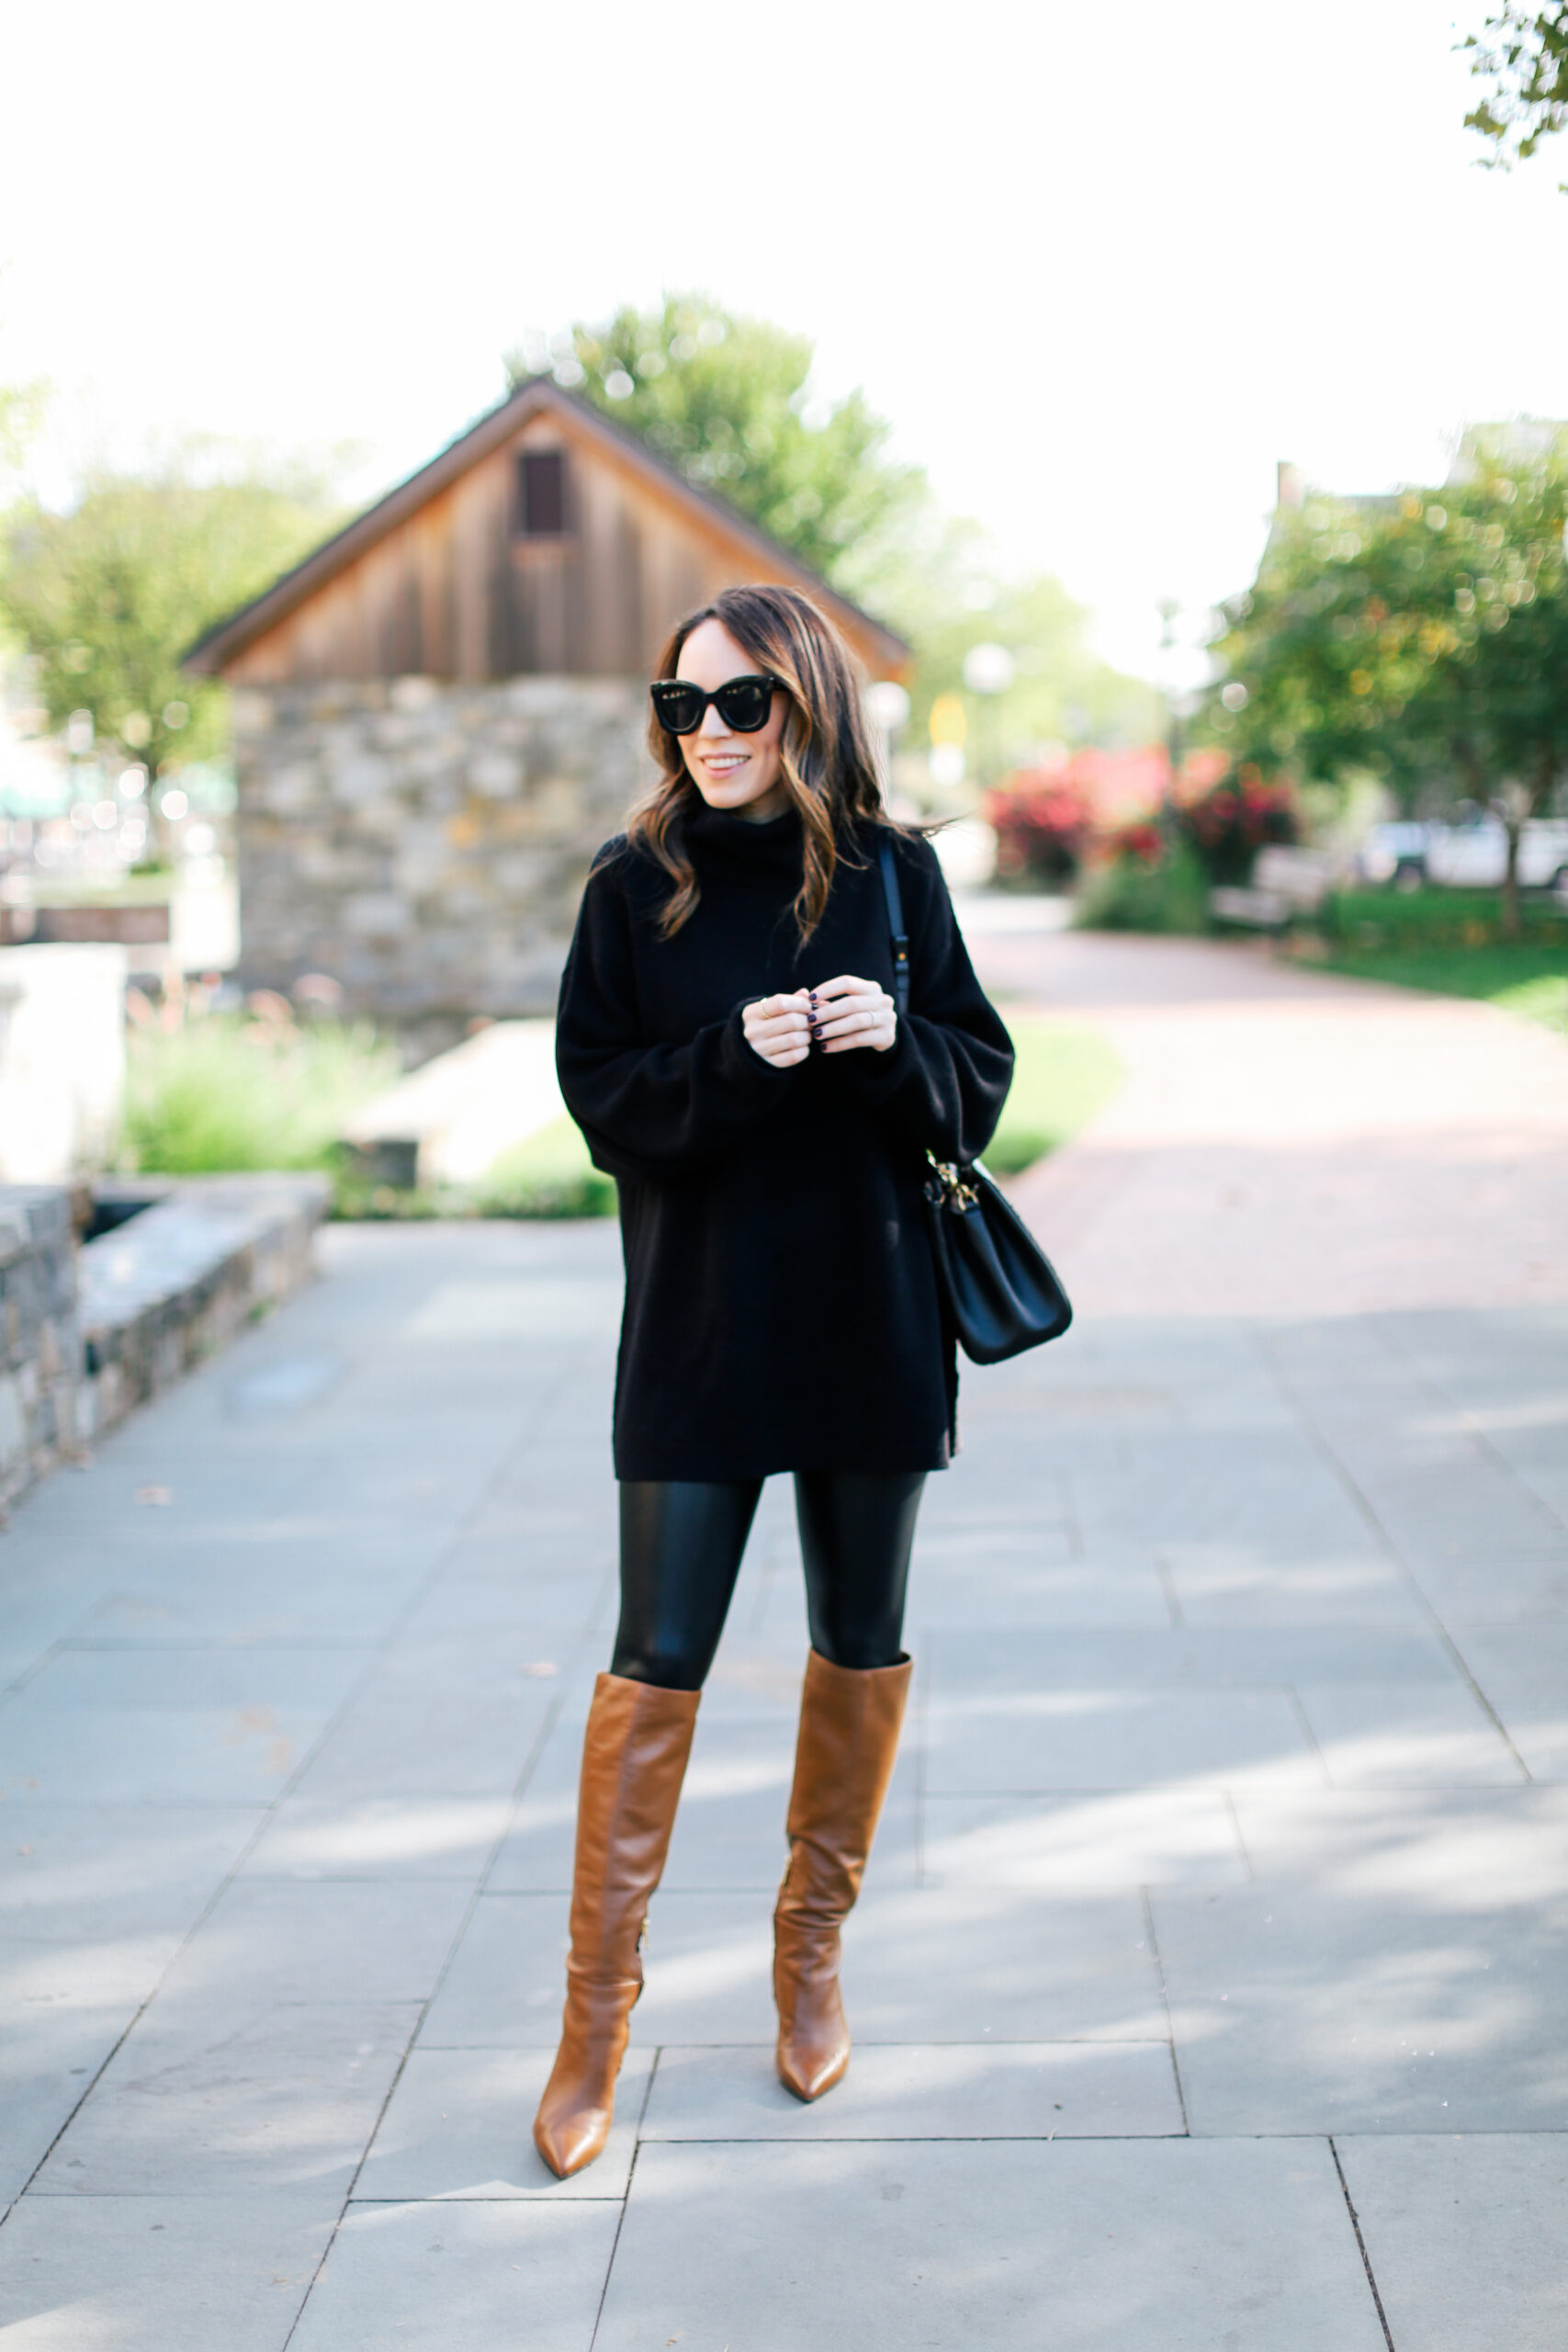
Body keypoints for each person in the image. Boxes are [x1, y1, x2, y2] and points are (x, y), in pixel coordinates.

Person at [533, 582, 1013, 2178]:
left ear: (808, 704)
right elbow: (603, 1103)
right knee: (655, 1659)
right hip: (699, 1331)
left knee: (859, 1641)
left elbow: (974, 1086)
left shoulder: (897, 875)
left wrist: (893, 1042)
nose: (711, 733)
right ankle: (594, 2021)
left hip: (872, 1324)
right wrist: (739, 1056)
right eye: (684, 706)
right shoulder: (635, 887)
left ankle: (810, 1960)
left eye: (743, 702)